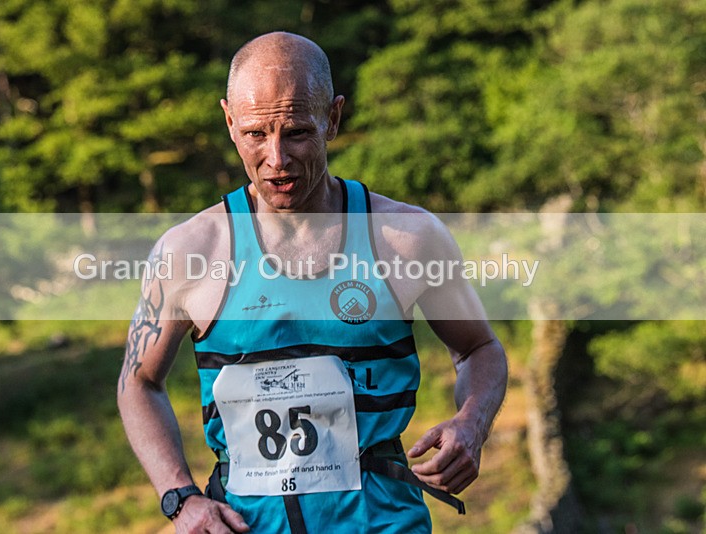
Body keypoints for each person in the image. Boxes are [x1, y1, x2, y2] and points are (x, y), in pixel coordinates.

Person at [118, 31, 508, 533]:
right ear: (229, 122)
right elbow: (138, 383)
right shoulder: (189, 251)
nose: (276, 159)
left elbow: (480, 348)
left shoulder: (406, 238)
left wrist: (472, 423)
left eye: (298, 132)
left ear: (334, 118)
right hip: (247, 524)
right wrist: (180, 497)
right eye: (256, 134)